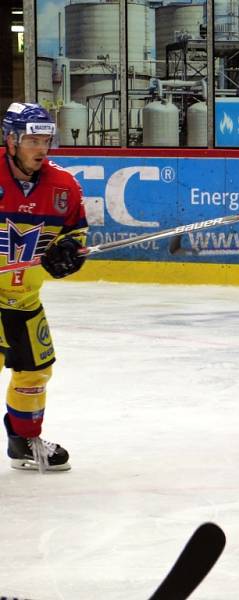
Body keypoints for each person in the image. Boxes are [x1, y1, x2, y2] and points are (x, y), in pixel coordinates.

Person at [0, 102, 89, 471]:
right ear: (11, 139)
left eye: (45, 140)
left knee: (36, 370)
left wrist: (68, 253)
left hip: (25, 300)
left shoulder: (64, 187)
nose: (41, 148)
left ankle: (23, 442)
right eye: (32, 140)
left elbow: (76, 236)